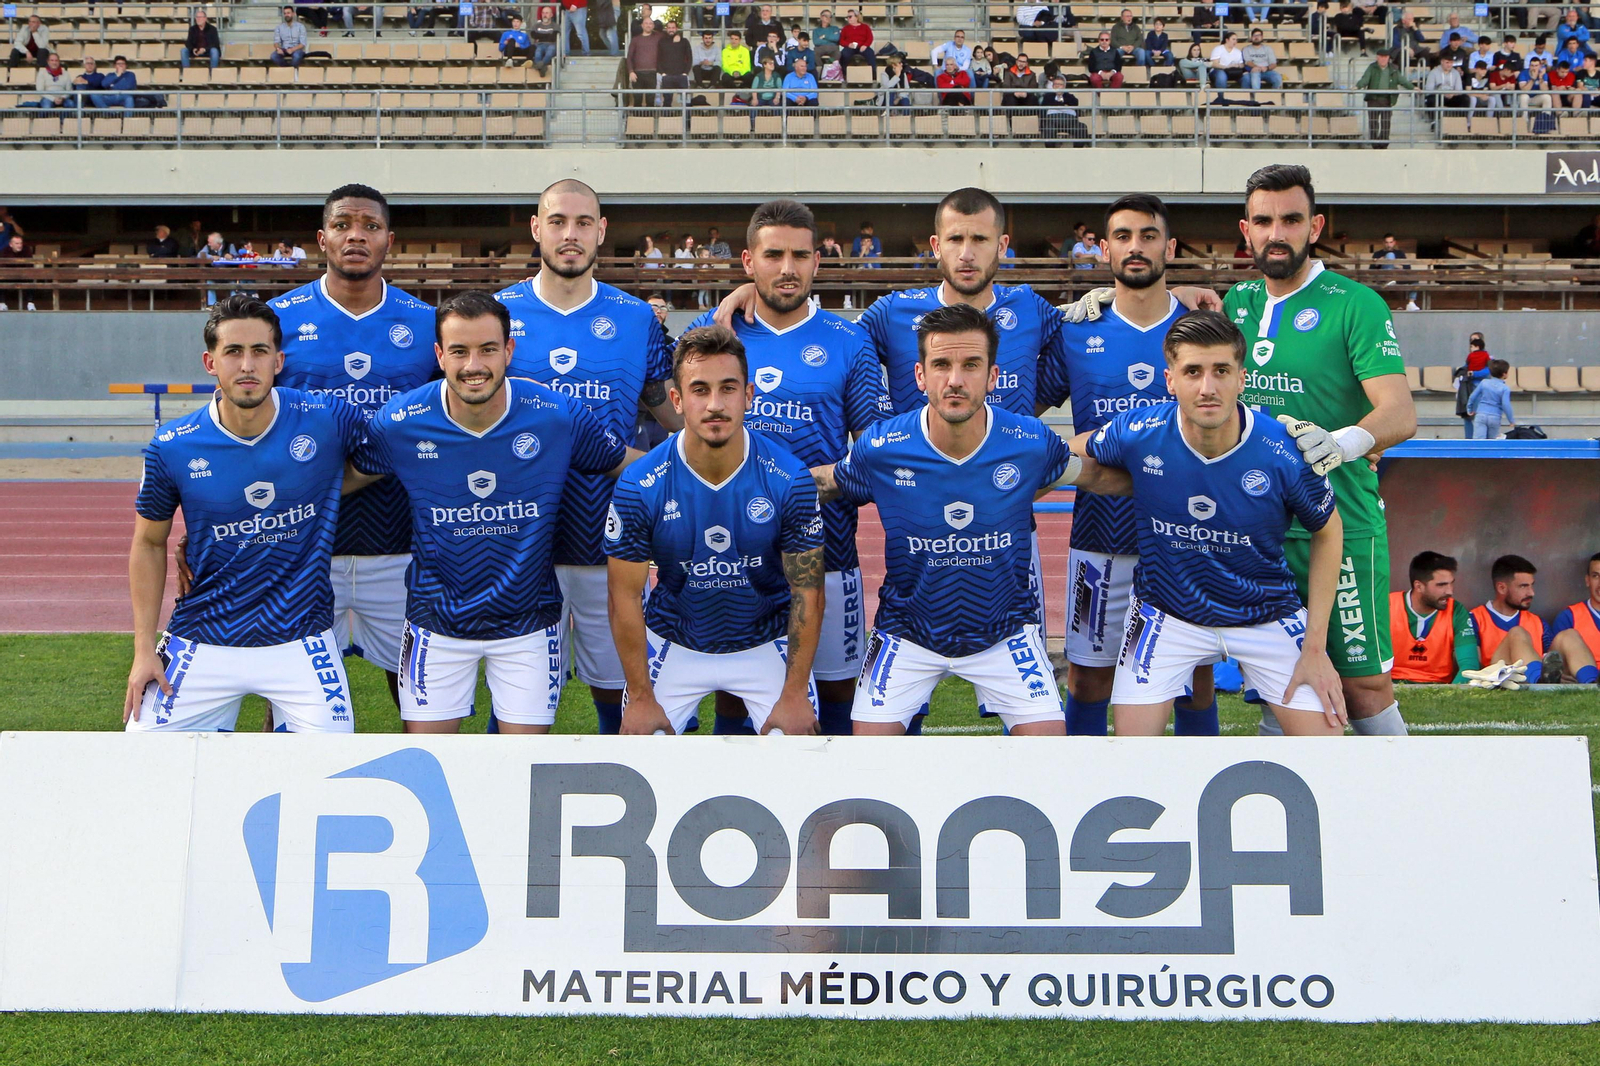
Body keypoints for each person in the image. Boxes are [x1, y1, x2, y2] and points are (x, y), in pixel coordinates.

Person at [355, 292, 641, 734]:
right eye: (460, 351)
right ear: (439, 354)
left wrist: (711, 462)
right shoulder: (400, 421)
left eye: (488, 349)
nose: (474, 365)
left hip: (527, 624)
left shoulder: (556, 415)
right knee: (431, 764)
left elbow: (626, 463)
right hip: (436, 621)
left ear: (509, 350)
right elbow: (344, 477)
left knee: (521, 769)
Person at [811, 304, 1079, 735]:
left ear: (993, 376)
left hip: (1004, 632)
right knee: (864, 763)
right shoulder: (883, 445)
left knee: (1050, 755)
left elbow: (1075, 471)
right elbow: (830, 482)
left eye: (971, 365)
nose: (955, 379)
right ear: (920, 375)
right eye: (941, 365)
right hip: (906, 632)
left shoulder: (1031, 441)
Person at [1078, 311, 1347, 736]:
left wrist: (1315, 646)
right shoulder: (1139, 430)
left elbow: (1329, 530)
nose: (1207, 388)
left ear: (1242, 378)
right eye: (1192, 372)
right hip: (1167, 613)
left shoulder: (1286, 449)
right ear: (1170, 380)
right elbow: (1069, 456)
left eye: (1221, 371)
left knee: (1325, 745)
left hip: (1266, 611)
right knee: (1129, 753)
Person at [1223, 164, 1418, 736]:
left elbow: (1399, 413)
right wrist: (1109, 294)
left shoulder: (1354, 304)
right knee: (1279, 685)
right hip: (1257, 527)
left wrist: (1341, 443)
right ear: (1245, 229)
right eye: (1263, 221)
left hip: (1341, 522)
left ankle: (1406, 811)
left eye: (1290, 219)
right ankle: (1293, 822)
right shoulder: (1236, 303)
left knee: (1363, 686)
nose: (1275, 233)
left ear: (1315, 226)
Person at [684, 200, 888, 737]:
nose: (788, 268)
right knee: (734, 693)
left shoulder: (851, 342)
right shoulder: (718, 332)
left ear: (818, 262)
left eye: (800, 255)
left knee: (838, 689)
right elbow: (682, 437)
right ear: (748, 262)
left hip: (829, 551)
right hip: (728, 553)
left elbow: (872, 463)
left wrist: (792, 490)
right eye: (774, 255)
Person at [123, 295, 373, 733]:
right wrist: (144, 649)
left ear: (279, 360)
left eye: (259, 352)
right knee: (143, 758)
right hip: (203, 635)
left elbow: (391, 453)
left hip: (302, 638)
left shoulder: (326, 416)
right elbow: (148, 541)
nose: (246, 365)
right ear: (210, 362)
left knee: (331, 769)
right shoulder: (173, 445)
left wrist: (324, 488)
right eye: (233, 352)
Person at [493, 180, 681, 734]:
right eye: (557, 221)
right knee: (518, 707)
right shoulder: (498, 314)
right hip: (520, 546)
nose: (569, 235)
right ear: (536, 229)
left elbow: (660, 402)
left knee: (623, 697)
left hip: (611, 544)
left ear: (601, 232)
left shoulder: (636, 318)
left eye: (582, 223)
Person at [1034, 195, 1219, 736]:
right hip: (1100, 534)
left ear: (1170, 246)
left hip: (1189, 532)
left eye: (1147, 235)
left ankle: (1193, 798)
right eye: (1122, 236)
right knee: (1089, 679)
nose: (1135, 247)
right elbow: (1024, 415)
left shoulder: (1205, 327)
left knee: (1194, 677)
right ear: (1104, 247)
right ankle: (1082, 802)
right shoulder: (1075, 332)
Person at [263, 184, 440, 707]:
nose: (355, 235)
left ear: (390, 240)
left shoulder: (427, 322)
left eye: (369, 226)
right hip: (303, 540)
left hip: (405, 538)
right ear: (322, 238)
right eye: (343, 225)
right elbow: (247, 426)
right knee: (290, 695)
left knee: (417, 694)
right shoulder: (277, 319)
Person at [606, 325, 823, 736]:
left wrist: (794, 692)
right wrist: (640, 696)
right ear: (677, 399)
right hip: (675, 637)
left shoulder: (788, 477)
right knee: (644, 744)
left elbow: (807, 591)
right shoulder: (641, 483)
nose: (715, 405)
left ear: (749, 395)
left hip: (765, 637)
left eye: (728, 389)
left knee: (795, 750)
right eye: (700, 390)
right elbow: (623, 596)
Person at [1389, 551, 1481, 684]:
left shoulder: (1456, 610)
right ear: (1419, 586)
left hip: (1439, 686)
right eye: (1441, 585)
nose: (1450, 591)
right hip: (1392, 684)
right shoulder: (1388, 605)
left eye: (1451, 583)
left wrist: (1449, 697)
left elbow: (1469, 667)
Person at [1468, 555, 1548, 685]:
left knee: (1569, 636)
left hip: (1528, 678)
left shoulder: (1538, 622)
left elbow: (1551, 662)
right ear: (1502, 588)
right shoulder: (1474, 619)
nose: (1531, 593)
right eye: (1523, 586)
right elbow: (1473, 665)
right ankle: (1540, 683)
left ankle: (1590, 683)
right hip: (1494, 678)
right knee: (1517, 633)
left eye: (1532, 585)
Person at [1549, 553, 1600, 685]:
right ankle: (1591, 683)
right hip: (1580, 680)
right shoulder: (1569, 616)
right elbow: (1553, 660)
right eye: (1596, 576)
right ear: (1587, 580)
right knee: (1568, 635)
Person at [1355, 49, 1413, 147]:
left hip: (1387, 99)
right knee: (1373, 122)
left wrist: (1412, 87)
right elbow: (1365, 78)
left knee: (1386, 122)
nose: (1383, 59)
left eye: (1385, 57)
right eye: (1381, 57)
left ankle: (1384, 143)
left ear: (1388, 58)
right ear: (1377, 57)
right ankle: (1374, 143)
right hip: (1373, 99)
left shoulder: (1393, 69)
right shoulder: (1372, 67)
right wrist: (1358, 86)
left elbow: (1402, 80)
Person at [1466, 358, 1514, 439]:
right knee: (1492, 443)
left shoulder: (1484, 382)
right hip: (1495, 417)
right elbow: (1506, 405)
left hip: (1481, 414)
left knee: (1479, 443)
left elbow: (1472, 396)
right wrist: (1511, 420)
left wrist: (1469, 408)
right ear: (1504, 374)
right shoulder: (1505, 388)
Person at [657, 19, 693, 107]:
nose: (671, 30)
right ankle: (666, 120)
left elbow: (689, 58)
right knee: (667, 101)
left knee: (685, 102)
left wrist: (685, 73)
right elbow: (658, 58)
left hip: (681, 76)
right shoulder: (662, 41)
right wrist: (663, 73)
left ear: (677, 29)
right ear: (666, 29)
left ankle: (686, 120)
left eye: (673, 28)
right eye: (669, 28)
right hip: (667, 76)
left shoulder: (684, 41)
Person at [1242, 28, 1282, 92]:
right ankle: (1257, 97)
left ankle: (1275, 96)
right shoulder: (1246, 49)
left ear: (1262, 37)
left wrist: (1267, 68)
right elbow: (1247, 62)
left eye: (1258, 35)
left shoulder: (1268, 49)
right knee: (1255, 73)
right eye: (1254, 36)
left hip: (1266, 71)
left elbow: (1274, 64)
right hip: (1253, 70)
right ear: (1251, 37)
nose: (1256, 37)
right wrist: (1257, 67)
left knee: (1277, 77)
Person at [839, 8, 875, 73]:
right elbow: (841, 40)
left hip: (863, 47)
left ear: (856, 17)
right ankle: (844, 74)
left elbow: (870, 38)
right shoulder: (845, 28)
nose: (848, 18)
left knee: (870, 54)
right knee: (844, 55)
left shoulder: (865, 27)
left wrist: (865, 45)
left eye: (850, 17)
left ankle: (873, 74)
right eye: (847, 17)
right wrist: (848, 45)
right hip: (850, 47)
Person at [1209, 30, 1245, 97]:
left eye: (1236, 40)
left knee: (1246, 77)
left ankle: (1245, 99)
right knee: (1221, 75)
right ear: (1227, 40)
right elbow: (1214, 64)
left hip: (1233, 72)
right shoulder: (1218, 49)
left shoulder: (1238, 51)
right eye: (1233, 39)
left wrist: (1238, 65)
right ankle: (1221, 98)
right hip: (1218, 70)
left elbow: (1242, 64)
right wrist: (1226, 67)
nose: (1235, 41)